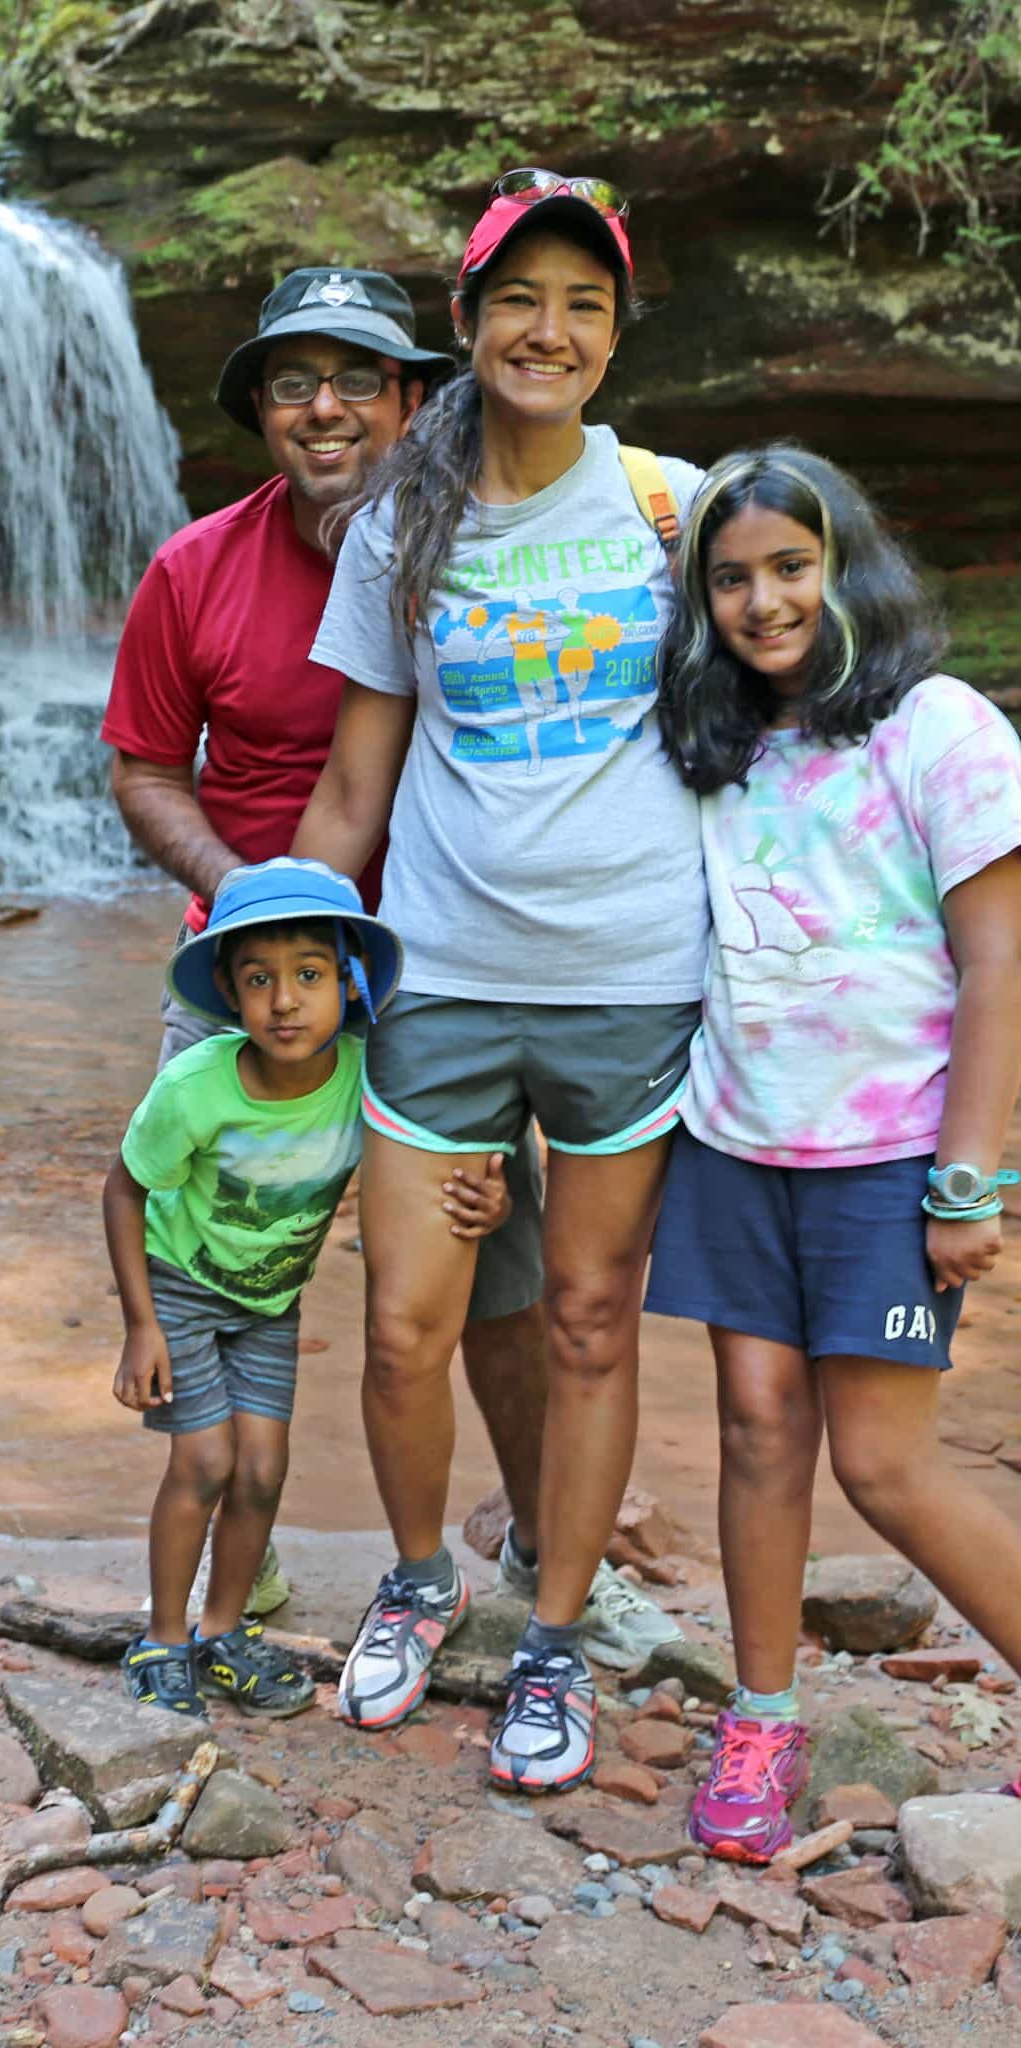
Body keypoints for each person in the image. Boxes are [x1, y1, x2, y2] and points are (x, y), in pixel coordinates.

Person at [102, 268, 682, 1667]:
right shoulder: (196, 570)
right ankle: (221, 1565)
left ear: (418, 397)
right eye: (295, 382)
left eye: (361, 377)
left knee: (498, 1286)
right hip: (266, 977)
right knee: (222, 1259)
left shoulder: (500, 538)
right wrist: (245, 898)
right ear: (258, 412)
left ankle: (550, 1557)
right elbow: (139, 768)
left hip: (451, 973)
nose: (328, 408)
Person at [291, 170, 705, 1787]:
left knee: (590, 1324)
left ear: (610, 335)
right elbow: (349, 794)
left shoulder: (673, 507)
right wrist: (264, 1012)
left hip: (630, 982)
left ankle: (553, 1634)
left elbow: (768, 743)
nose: (548, 329)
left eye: (581, 304)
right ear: (462, 324)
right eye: (516, 300)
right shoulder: (403, 516)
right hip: (446, 977)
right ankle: (413, 1578)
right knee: (403, 1323)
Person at [642, 445, 1021, 1860]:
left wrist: (972, 1178)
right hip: (735, 1140)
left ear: (844, 565)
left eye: (789, 567)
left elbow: (1000, 965)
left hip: (890, 1155)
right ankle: (761, 1714)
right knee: (755, 1433)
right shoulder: (714, 741)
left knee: (884, 1462)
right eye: (730, 578)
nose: (761, 601)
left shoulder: (942, 729)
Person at [105, 858, 512, 1717]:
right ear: (228, 991)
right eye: (259, 980)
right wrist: (140, 1325)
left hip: (268, 1304)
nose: (285, 1001)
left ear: (350, 984)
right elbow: (124, 1187)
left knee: (263, 1468)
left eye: (309, 975)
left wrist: (491, 1191)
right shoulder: (197, 1086)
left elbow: (437, 1155)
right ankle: (163, 1639)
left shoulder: (368, 1076)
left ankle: (222, 1634)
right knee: (205, 1460)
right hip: (181, 1286)